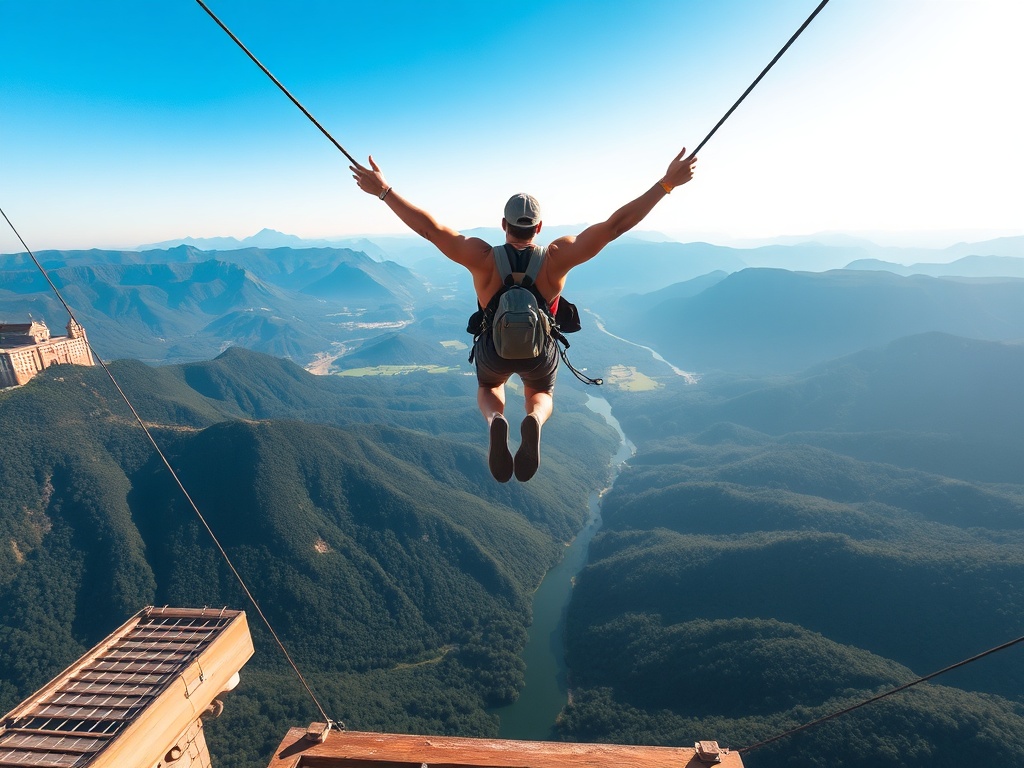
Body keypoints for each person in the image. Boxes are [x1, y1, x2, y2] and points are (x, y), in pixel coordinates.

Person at [350, 148, 697, 482]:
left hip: (493, 352)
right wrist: (665, 184)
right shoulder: (558, 257)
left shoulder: (482, 257)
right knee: (541, 394)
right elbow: (615, 226)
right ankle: (533, 418)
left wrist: (384, 191)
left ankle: (495, 419)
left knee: (489, 386)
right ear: (539, 227)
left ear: (504, 224)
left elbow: (430, 229)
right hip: (539, 353)